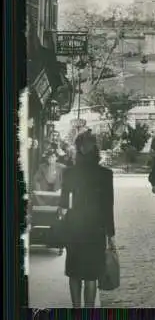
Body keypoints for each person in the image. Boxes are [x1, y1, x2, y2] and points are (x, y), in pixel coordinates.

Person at [59, 130, 115, 308]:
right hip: (96, 228)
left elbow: (63, 204)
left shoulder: (69, 173)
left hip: (75, 227)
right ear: (95, 149)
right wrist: (110, 234)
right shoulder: (105, 174)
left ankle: (76, 310)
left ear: (78, 149)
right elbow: (108, 206)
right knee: (91, 275)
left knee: (75, 273)